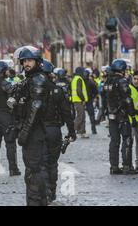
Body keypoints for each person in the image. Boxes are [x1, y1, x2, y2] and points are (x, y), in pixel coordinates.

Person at [11, 46, 49, 206]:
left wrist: (25, 132)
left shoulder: (38, 80)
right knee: (32, 170)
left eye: (30, 60)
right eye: (24, 61)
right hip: (31, 130)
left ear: (37, 62)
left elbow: (35, 107)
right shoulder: (29, 80)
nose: (26, 63)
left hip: (35, 132)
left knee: (33, 171)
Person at [41, 60, 76, 202]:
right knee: (52, 163)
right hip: (54, 130)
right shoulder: (57, 90)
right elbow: (67, 113)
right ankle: (52, 191)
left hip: (39, 131)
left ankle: (43, 191)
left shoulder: (32, 89)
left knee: (40, 162)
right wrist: (71, 132)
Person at [105, 59, 138, 175]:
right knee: (127, 140)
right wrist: (133, 116)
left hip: (112, 115)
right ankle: (126, 166)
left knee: (114, 141)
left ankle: (114, 167)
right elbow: (128, 100)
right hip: (122, 116)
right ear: (122, 70)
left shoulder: (108, 81)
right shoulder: (122, 82)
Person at [0, 60, 21, 177]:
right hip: (5, 115)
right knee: (10, 143)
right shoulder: (5, 83)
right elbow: (14, 94)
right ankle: (13, 169)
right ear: (2, 71)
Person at [128, 70, 138, 172]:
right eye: (135, 79)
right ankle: (128, 164)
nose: (136, 81)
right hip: (131, 119)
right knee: (129, 142)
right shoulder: (129, 89)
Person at [71, 67, 89, 138]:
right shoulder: (79, 79)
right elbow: (79, 91)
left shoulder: (75, 79)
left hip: (77, 100)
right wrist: (83, 99)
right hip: (79, 100)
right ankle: (73, 130)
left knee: (82, 116)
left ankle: (81, 131)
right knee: (80, 116)